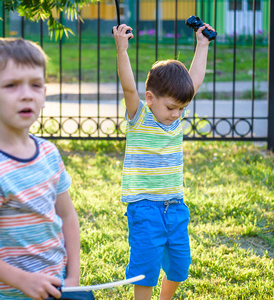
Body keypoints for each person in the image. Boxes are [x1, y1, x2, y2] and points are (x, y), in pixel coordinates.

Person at [0, 38, 81, 300]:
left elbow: (67, 215)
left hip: (58, 286)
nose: (26, 94)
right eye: (11, 85)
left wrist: (73, 276)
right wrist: (23, 280)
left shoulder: (48, 153)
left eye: (36, 85)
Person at [113, 22, 215, 300]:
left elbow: (194, 81)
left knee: (179, 266)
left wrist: (202, 44)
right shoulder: (139, 116)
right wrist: (122, 50)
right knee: (146, 269)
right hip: (144, 207)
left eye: (181, 108)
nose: (176, 114)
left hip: (175, 205)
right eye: (171, 107)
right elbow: (128, 87)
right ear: (150, 99)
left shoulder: (175, 117)